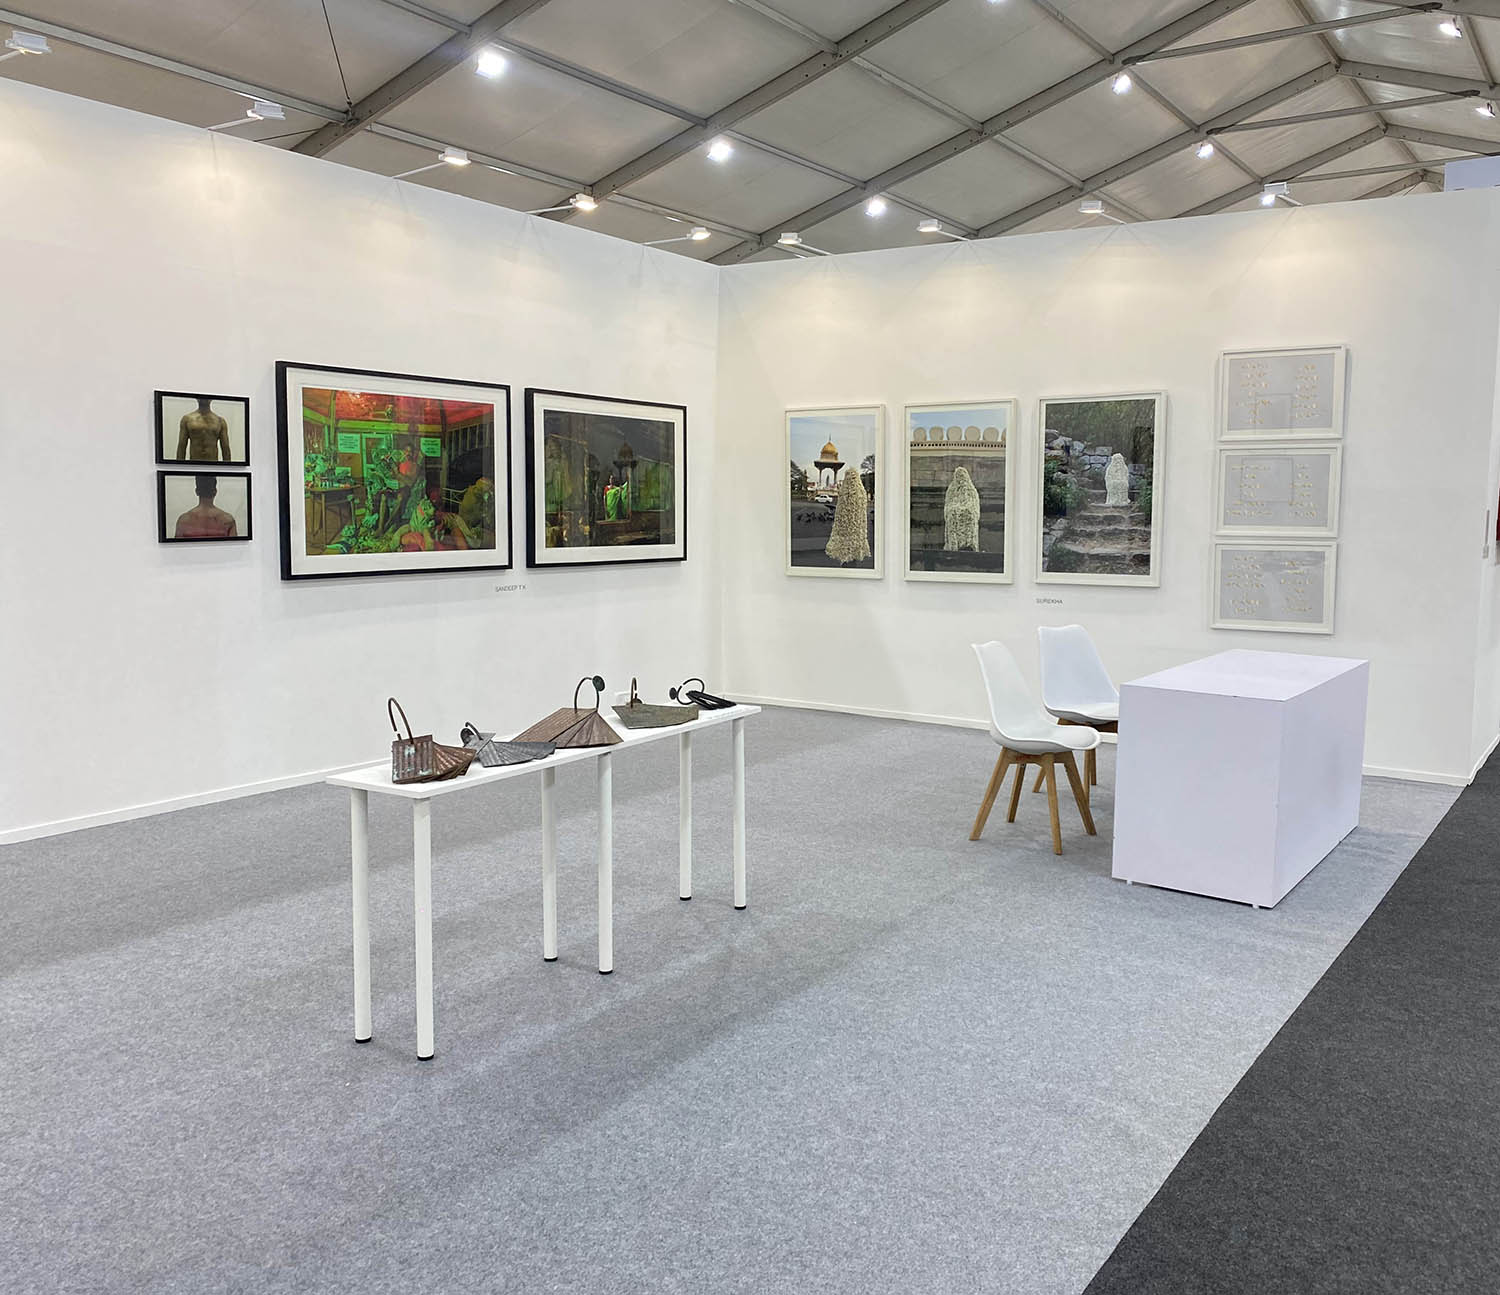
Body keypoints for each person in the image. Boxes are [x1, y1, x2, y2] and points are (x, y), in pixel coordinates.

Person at [174, 475, 238, 539]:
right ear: (215, 492)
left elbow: (176, 544)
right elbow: (235, 545)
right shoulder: (227, 520)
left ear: (196, 491)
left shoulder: (184, 520)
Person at [175, 397, 233, 462]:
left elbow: (226, 449)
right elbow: (181, 447)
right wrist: (179, 467)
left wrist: (228, 467)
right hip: (194, 464)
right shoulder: (187, 420)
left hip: (213, 464)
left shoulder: (220, 421)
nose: (204, 398)